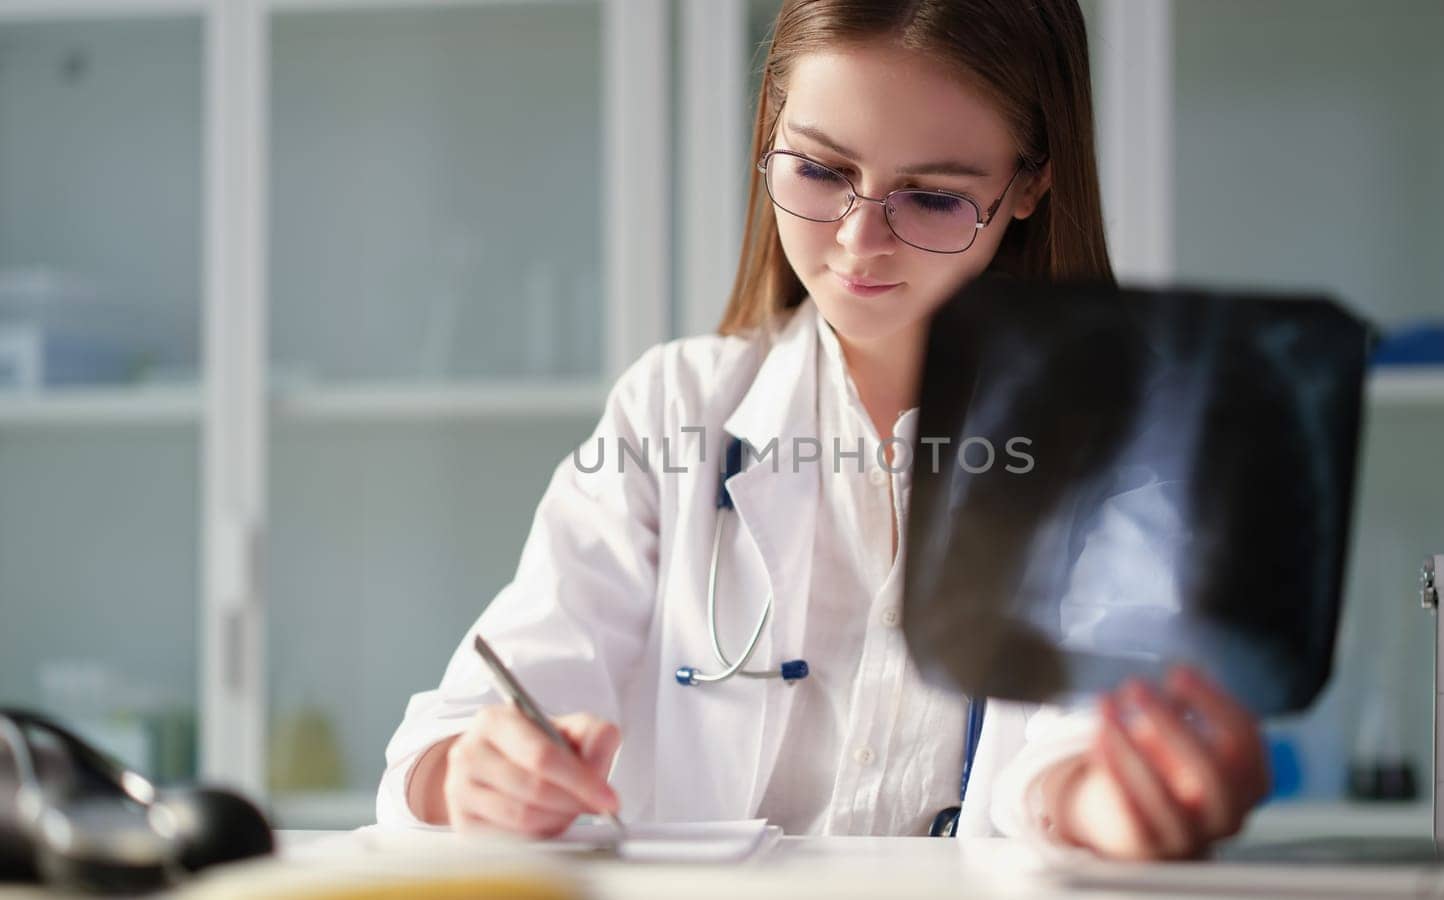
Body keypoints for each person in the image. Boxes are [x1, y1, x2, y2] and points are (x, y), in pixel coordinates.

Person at [377, 0, 1269, 861]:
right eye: (820, 171)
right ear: (772, 130)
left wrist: (1102, 797)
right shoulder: (671, 412)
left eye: (930, 198)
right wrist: (470, 776)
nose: (857, 241)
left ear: (1030, 184)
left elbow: (1088, 731)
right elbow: (463, 729)